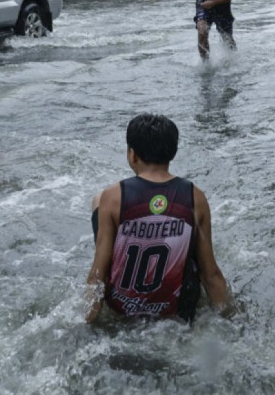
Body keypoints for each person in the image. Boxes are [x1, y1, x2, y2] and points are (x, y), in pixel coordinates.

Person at [86, 113, 232, 322]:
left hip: (123, 309)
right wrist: (232, 320)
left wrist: (87, 324)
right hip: (177, 311)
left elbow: (97, 277)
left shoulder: (113, 196)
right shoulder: (195, 196)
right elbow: (211, 275)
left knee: (98, 201)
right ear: (172, 153)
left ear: (132, 154)